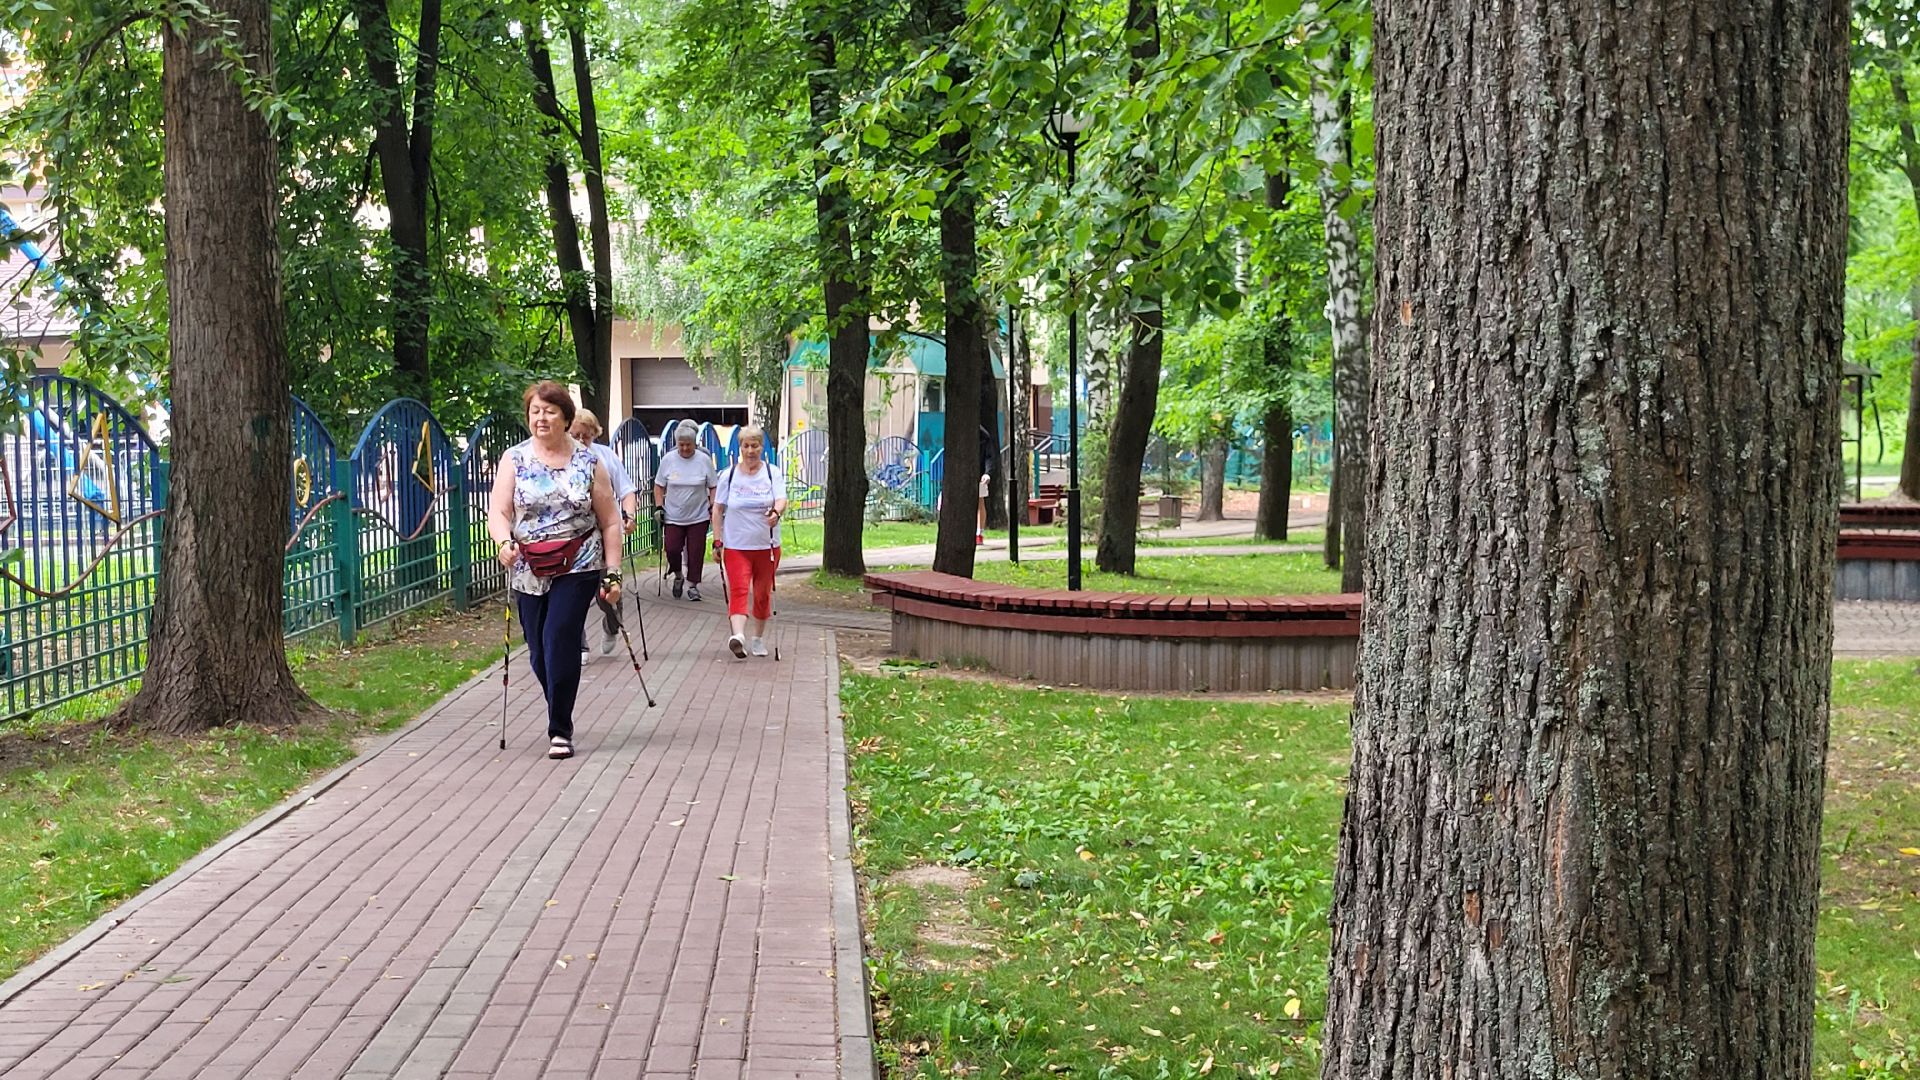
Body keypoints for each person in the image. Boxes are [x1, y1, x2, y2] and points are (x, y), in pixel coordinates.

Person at [486, 382, 624, 760]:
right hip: (529, 564)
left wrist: (612, 573)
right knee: (537, 651)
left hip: (579, 561)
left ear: (565, 417)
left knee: (559, 636)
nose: (541, 418)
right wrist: (503, 543)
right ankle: (558, 702)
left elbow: (610, 521)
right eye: (535, 411)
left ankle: (559, 728)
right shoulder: (513, 459)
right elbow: (498, 512)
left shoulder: (588, 462)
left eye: (549, 411)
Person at [569, 408, 639, 657]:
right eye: (574, 435)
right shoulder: (560, 459)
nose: (580, 441)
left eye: (585, 436)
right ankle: (579, 645)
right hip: (574, 540)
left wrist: (629, 515)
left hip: (606, 537)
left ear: (594, 435)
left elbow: (627, 491)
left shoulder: (605, 457)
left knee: (608, 593)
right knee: (572, 595)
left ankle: (611, 625)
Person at [712, 424, 786, 658]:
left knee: (762, 594)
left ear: (762, 448)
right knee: (739, 590)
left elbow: (782, 499)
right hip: (736, 545)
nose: (751, 450)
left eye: (755, 445)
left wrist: (776, 512)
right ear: (740, 448)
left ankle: (758, 639)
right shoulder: (729, 475)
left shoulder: (772, 472)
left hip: (767, 545)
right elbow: (717, 510)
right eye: (746, 445)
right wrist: (717, 541)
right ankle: (738, 636)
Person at [653, 420, 717, 602]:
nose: (685, 448)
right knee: (672, 548)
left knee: (696, 551)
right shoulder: (668, 460)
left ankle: (693, 585)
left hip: (699, 515)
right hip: (674, 515)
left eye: (688, 445)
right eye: (681, 445)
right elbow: (658, 485)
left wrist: (712, 505)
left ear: (695, 443)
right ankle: (678, 575)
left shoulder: (703, 460)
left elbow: (713, 486)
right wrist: (659, 506)